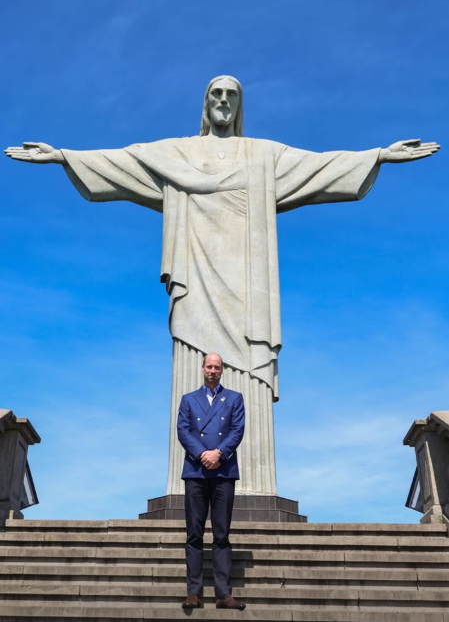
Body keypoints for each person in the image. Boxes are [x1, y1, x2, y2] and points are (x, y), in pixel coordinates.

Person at [4, 76, 440, 498]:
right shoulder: (177, 153)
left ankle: (251, 486)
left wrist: (378, 155)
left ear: (240, 105)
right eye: (217, 93)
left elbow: (319, 164)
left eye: (233, 94)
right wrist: (63, 156)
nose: (224, 100)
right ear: (206, 102)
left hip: (249, 286)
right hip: (195, 277)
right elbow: (124, 160)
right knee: (194, 365)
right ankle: (191, 484)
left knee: (247, 368)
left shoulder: (262, 155)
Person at [177, 352, 245, 610]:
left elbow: (237, 430)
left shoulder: (235, 399)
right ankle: (193, 592)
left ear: (222, 370)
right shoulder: (188, 400)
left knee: (221, 534)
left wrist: (218, 453)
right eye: (209, 366)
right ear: (202, 368)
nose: (213, 370)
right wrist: (202, 453)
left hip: (223, 471)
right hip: (196, 471)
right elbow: (183, 430)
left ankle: (223, 594)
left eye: (217, 367)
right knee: (194, 534)